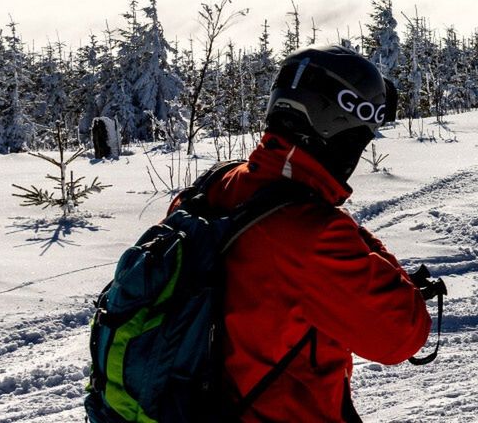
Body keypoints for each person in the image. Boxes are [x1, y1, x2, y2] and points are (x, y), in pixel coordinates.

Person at [180, 45, 437, 421]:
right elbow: (402, 334)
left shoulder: (213, 185)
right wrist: (365, 244)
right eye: (359, 138)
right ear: (336, 127)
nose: (357, 153)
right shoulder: (312, 234)